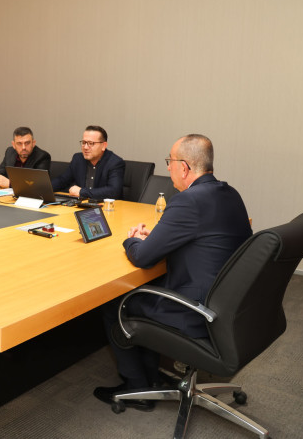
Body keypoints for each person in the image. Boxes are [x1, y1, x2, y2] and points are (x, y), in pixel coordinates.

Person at [93, 134, 252, 411]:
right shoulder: (230, 194)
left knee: (115, 302)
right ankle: (151, 375)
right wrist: (156, 238)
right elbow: (202, 236)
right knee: (146, 289)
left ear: (185, 167)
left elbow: (143, 258)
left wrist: (132, 240)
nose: (168, 167)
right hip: (229, 304)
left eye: (170, 161)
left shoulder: (187, 201)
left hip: (196, 310)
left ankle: (137, 387)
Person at [51, 125, 124, 199]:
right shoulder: (78, 159)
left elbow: (114, 191)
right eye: (84, 142)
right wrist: (46, 189)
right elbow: (62, 180)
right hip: (81, 203)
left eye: (91, 143)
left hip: (103, 205)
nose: (85, 147)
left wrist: (82, 192)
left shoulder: (115, 162)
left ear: (103, 146)